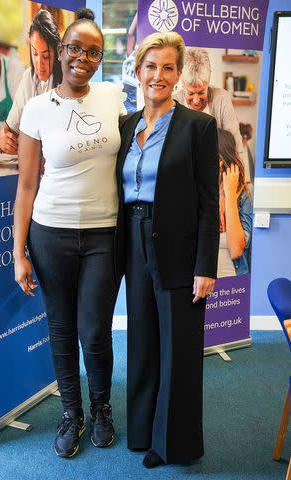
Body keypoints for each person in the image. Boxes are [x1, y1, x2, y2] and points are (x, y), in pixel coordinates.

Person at [14, 9, 126, 459]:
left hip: (104, 234)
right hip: (50, 234)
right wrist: (18, 252)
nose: (83, 58)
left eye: (93, 52)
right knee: (61, 328)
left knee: (95, 330)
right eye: (75, 48)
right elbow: (25, 186)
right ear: (61, 52)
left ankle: (102, 409)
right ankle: (72, 413)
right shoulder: (36, 108)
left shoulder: (113, 98)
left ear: (100, 59)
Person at [115, 32, 219, 468]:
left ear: (178, 75)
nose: (159, 75)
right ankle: (141, 432)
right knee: (142, 341)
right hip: (133, 240)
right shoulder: (127, 126)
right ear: (138, 71)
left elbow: (209, 203)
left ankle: (172, 443)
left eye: (168, 68)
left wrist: (205, 266)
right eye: (151, 66)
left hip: (178, 244)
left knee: (177, 346)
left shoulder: (199, 126)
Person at [0, 9, 62, 154]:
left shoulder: (66, 80)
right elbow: (7, 130)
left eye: (45, 56)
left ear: (57, 52)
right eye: (35, 54)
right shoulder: (28, 78)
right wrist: (2, 139)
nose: (39, 63)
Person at [174, 47, 244, 156]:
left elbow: (236, 147)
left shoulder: (222, 98)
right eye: (191, 93)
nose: (196, 101)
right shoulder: (174, 104)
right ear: (182, 83)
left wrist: (237, 170)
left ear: (208, 81)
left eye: (201, 92)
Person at [217, 128, 253, 277]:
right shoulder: (194, 192)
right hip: (197, 286)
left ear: (220, 161)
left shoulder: (245, 194)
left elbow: (236, 250)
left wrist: (230, 195)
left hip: (232, 289)